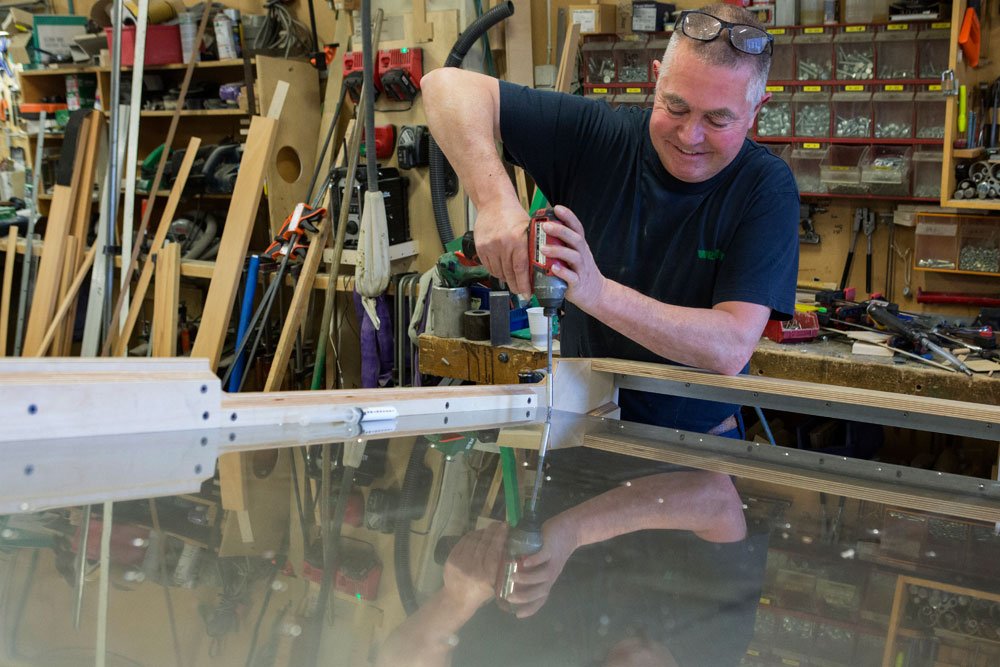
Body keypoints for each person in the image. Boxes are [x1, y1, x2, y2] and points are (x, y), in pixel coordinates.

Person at [423, 4, 800, 436]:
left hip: (696, 447)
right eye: (675, 108)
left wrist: (596, 291)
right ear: (656, 78)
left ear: (756, 112)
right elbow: (444, 86)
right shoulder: (599, 137)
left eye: (718, 119)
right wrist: (494, 202)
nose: (689, 136)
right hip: (582, 429)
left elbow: (729, 347)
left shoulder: (766, 188)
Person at [374, 468, 767, 666]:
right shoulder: (715, 647)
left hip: (563, 435)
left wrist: (455, 601)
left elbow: (396, 660)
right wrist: (572, 531)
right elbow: (716, 498)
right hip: (670, 426)